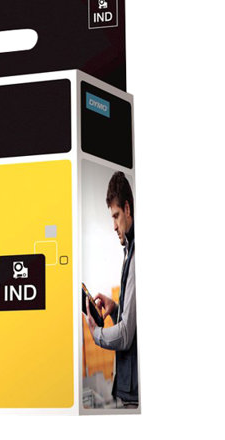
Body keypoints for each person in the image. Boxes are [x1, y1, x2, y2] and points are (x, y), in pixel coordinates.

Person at [85, 171, 138, 407]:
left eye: (116, 216)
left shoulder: (136, 256)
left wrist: (96, 333)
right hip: (130, 389)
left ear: (127, 209)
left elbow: (126, 336)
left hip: (135, 394)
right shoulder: (129, 253)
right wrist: (115, 308)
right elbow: (133, 322)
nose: (114, 226)